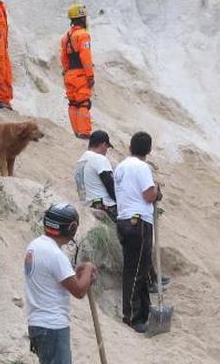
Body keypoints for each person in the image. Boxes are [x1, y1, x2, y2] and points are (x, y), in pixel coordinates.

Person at [25, 203, 97, 364]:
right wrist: (88, 269)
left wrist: (77, 273)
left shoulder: (34, 246)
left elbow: (54, 278)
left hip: (37, 324)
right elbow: (79, 291)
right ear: (72, 227)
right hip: (53, 327)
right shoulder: (55, 255)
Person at [113, 131, 162, 333]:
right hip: (138, 221)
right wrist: (157, 191)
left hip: (124, 219)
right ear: (148, 150)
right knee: (135, 271)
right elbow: (149, 195)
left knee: (139, 268)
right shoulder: (142, 167)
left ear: (130, 147)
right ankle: (132, 316)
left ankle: (143, 312)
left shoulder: (120, 166)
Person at [61, 4, 95, 139]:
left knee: (73, 103)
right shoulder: (83, 35)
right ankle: (84, 132)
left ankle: (76, 131)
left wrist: (67, 72)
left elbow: (63, 58)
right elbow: (86, 57)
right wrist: (90, 75)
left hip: (69, 74)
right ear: (81, 18)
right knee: (83, 103)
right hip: (81, 74)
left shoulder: (66, 37)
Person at [74, 130, 117, 222]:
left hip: (86, 207)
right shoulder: (99, 158)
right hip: (105, 207)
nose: (106, 151)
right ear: (103, 144)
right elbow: (110, 184)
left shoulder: (80, 162)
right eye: (107, 147)